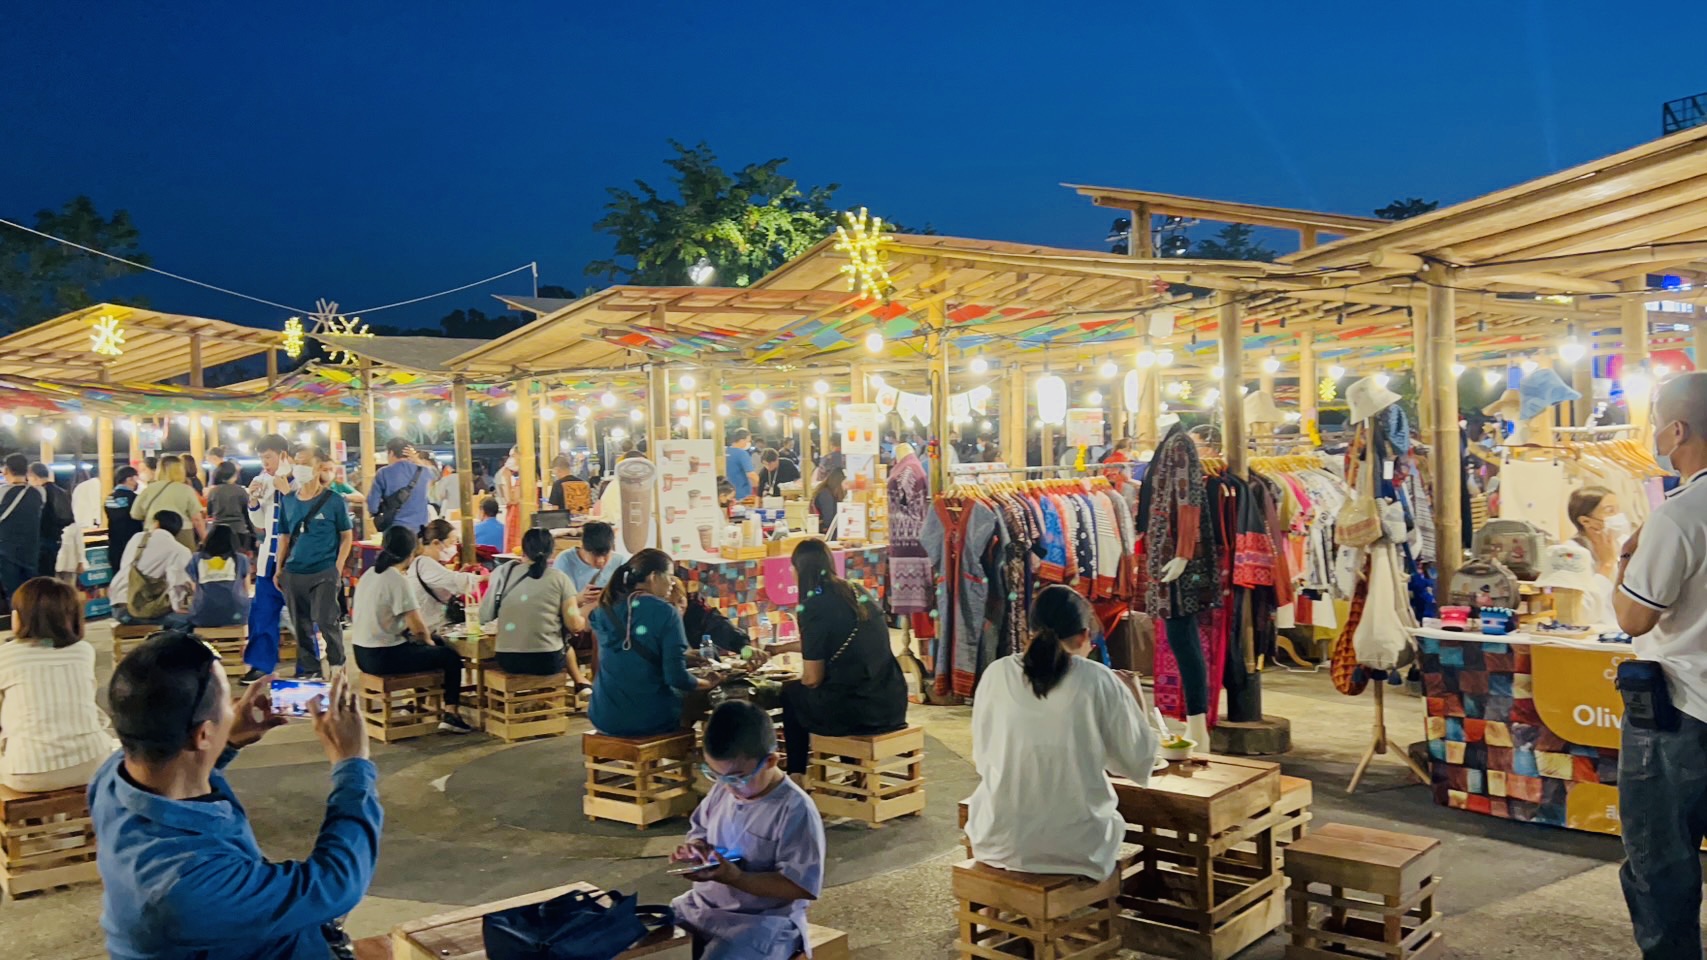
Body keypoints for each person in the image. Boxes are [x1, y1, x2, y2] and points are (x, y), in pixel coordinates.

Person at [93, 634, 378, 960]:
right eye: (227, 706)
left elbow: (178, 770)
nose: (234, 712)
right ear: (202, 734)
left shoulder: (114, 776)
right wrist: (351, 763)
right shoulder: (186, 884)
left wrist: (226, 741)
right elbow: (337, 884)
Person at [964, 585, 1158, 880]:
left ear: (1029, 631)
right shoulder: (1097, 678)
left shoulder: (996, 673)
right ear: (1084, 635)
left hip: (998, 840)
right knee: (1109, 820)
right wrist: (1134, 698)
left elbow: (984, 756)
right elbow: (1138, 761)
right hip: (1078, 849)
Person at [1611, 371, 1707, 958]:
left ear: (1678, 430)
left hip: (1680, 714)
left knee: (1661, 867)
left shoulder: (1679, 515)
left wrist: (1626, 557)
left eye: (1655, 424)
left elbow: (1635, 617)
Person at [669, 700, 825, 960]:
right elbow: (700, 830)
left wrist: (736, 877)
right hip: (702, 906)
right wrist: (696, 851)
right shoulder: (725, 787)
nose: (728, 787)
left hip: (762, 921)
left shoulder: (795, 809)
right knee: (638, 943)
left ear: (771, 760)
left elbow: (800, 886)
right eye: (715, 775)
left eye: (738, 777)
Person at [771, 539, 907, 781]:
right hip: (891, 702)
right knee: (839, 687)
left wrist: (798, 676)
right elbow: (833, 641)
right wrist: (780, 649)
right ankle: (856, 775)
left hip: (860, 712)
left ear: (800, 569)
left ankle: (796, 776)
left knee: (793, 695)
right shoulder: (855, 591)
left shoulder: (813, 605)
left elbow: (812, 678)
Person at [349, 525, 473, 733]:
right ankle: (451, 713)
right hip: (384, 656)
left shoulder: (369, 574)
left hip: (362, 653)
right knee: (449, 657)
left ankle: (414, 703)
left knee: (433, 647)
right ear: (410, 553)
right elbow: (418, 628)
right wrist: (429, 642)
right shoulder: (397, 579)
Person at [0, 577, 116, 791]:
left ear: (20, 617)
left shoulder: (5, 655)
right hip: (92, 762)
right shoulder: (83, 651)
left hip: (27, 772)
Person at [587, 549, 719, 737]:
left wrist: (683, 656)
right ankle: (688, 751)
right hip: (647, 719)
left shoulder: (604, 608)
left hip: (603, 715)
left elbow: (626, 656)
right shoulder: (666, 612)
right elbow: (676, 678)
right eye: (670, 577)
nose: (672, 583)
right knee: (701, 700)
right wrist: (707, 682)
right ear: (653, 577)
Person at [278, 449, 354, 678]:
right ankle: (311, 671)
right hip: (294, 571)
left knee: (326, 619)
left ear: (318, 467)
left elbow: (346, 536)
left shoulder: (334, 501)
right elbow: (284, 537)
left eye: (304, 463)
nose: (299, 467)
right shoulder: (288, 501)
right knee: (300, 626)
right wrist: (278, 568)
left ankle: (337, 666)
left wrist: (337, 567)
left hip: (324, 571)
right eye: (297, 463)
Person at [480, 528, 589, 684]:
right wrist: (582, 620)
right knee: (566, 644)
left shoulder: (503, 574)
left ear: (523, 550)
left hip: (507, 659)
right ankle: (580, 682)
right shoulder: (559, 578)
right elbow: (574, 625)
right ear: (552, 552)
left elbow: (484, 616)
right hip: (546, 660)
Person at [239, 435, 294, 685]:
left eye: (269, 457)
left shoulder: (299, 481)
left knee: (302, 615)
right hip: (268, 559)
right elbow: (261, 523)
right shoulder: (263, 480)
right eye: (262, 458)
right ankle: (261, 665)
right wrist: (252, 501)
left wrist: (287, 493)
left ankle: (311, 664)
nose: (265, 463)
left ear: (283, 455)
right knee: (262, 612)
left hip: (294, 560)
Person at [109, 512, 193, 625]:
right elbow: (178, 584)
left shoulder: (137, 538)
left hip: (117, 609)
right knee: (188, 621)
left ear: (156, 524)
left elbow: (124, 566)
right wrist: (179, 607)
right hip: (138, 611)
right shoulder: (180, 550)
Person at [411, 519, 487, 639]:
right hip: (431, 629)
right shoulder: (424, 563)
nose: (453, 548)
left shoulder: (423, 563)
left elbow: (445, 581)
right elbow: (454, 581)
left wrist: (460, 573)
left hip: (433, 625)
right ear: (436, 543)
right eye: (451, 543)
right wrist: (484, 577)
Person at [180, 525, 252, 630]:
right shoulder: (241, 559)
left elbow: (194, 588)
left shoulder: (196, 558)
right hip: (238, 614)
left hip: (203, 615)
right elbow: (247, 589)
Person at [130, 455, 205, 549]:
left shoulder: (148, 489)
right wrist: (204, 539)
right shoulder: (186, 490)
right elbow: (197, 519)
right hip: (182, 533)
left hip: (154, 532)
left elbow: (135, 514)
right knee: (183, 557)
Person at [0, 454, 43, 614]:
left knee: (13, 594)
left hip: (6, 552)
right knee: (31, 593)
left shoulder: (2, 493)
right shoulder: (38, 493)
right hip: (31, 552)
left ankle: (18, 624)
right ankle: (33, 624)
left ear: (6, 470)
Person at [366, 437, 433, 535]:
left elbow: (373, 507)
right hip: (420, 530)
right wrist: (417, 460)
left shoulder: (383, 473)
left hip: (394, 530)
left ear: (391, 453)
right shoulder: (424, 471)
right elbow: (435, 475)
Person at [553, 520, 629, 604]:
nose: (600, 560)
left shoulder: (620, 561)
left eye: (605, 554)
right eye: (595, 555)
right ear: (583, 546)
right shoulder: (565, 560)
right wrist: (578, 599)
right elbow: (553, 602)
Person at [1568, 485, 1631, 579]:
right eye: (1610, 510)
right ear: (1585, 521)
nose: (1617, 516)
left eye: (1617, 510)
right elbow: (1591, 590)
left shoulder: (1621, 544)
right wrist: (1606, 564)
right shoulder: (1572, 552)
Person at [28, 462, 75, 583]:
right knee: (52, 576)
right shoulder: (61, 492)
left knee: (41, 578)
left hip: (43, 541)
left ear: (33, 476)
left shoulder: (39, 494)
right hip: (59, 539)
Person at [205, 459, 257, 556]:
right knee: (239, 560)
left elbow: (209, 512)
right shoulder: (240, 491)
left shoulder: (213, 491)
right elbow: (247, 514)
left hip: (218, 532)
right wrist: (253, 534)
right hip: (239, 531)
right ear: (234, 475)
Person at [103, 465, 144, 568]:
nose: (137, 482)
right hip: (134, 545)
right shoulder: (136, 499)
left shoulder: (109, 498)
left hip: (115, 546)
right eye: (136, 478)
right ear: (129, 479)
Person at [494, 446, 523, 553]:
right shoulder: (521, 476)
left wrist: (506, 478)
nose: (510, 459)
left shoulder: (525, 477)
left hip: (518, 517)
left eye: (512, 456)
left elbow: (511, 500)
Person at [725, 429, 759, 501]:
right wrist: (762, 484)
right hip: (741, 494)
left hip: (727, 494)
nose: (749, 443)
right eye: (748, 441)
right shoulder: (742, 454)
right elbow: (751, 474)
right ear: (741, 440)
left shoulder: (725, 451)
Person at [812, 468, 845, 538]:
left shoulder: (828, 492)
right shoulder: (826, 494)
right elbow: (828, 520)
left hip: (829, 530)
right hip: (826, 532)